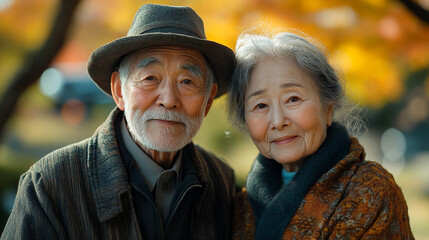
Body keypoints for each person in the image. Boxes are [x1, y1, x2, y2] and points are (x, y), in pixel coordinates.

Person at [2, 4, 236, 240]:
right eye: (150, 78)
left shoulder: (221, 182)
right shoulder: (50, 185)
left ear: (207, 101)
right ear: (119, 91)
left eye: (187, 81)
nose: (168, 100)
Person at [228, 30, 414, 239]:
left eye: (293, 99)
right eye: (260, 105)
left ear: (328, 108)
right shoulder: (240, 203)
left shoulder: (369, 190)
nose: (278, 121)